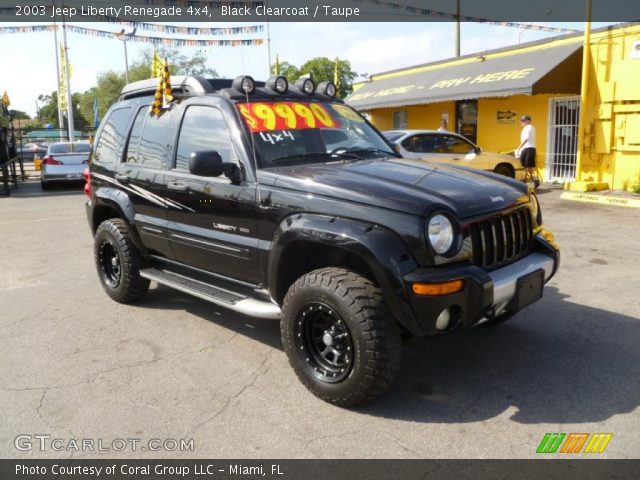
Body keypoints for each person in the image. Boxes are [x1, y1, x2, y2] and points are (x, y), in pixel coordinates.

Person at [516, 115, 538, 185]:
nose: (521, 122)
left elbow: (526, 138)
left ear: (528, 121)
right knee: (527, 166)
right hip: (528, 148)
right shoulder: (530, 127)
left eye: (523, 121)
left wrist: (519, 147)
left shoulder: (528, 127)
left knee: (527, 166)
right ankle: (529, 179)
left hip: (528, 148)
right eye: (521, 120)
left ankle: (532, 180)